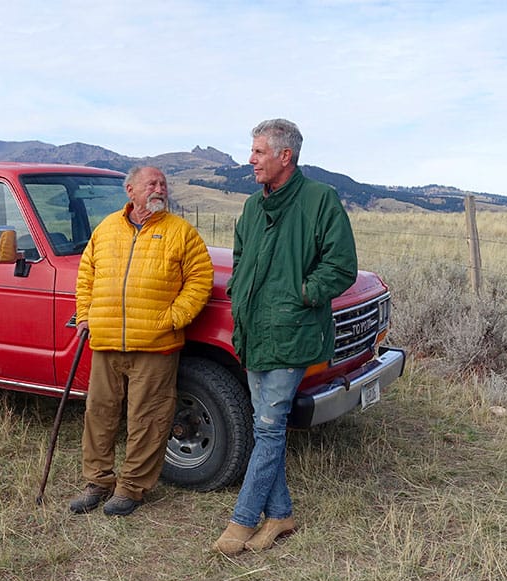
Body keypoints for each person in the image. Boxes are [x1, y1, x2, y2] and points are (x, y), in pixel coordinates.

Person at [213, 119, 358, 554]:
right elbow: (241, 257)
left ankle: (242, 521)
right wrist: (240, 295)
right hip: (255, 332)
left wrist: (302, 295)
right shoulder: (254, 208)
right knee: (265, 427)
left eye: (258, 152)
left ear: (284, 156)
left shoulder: (320, 201)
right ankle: (280, 515)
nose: (250, 160)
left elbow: (341, 266)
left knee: (271, 429)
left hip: (292, 333)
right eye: (252, 151)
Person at [69, 165, 214, 516]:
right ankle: (97, 481)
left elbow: (200, 279)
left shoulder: (181, 232)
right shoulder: (106, 230)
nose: (159, 188)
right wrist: (85, 314)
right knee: (99, 413)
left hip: (155, 344)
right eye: (152, 183)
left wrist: (173, 318)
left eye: (163, 183)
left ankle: (131, 488)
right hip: (105, 340)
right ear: (131, 190)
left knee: (147, 418)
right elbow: (86, 273)